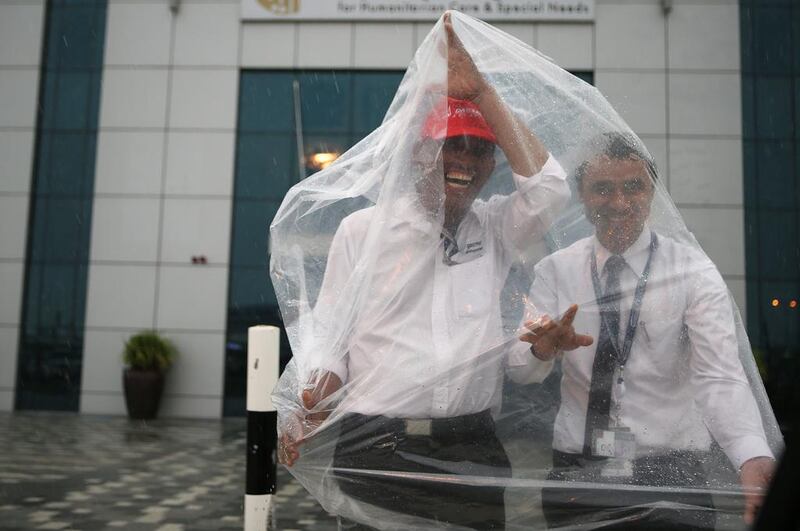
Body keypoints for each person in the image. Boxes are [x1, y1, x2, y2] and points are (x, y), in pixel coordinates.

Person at [278, 13, 570, 530]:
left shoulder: (497, 226)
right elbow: (331, 337)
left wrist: (482, 94)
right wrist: (317, 390)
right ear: (418, 151)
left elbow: (550, 188)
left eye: (480, 149)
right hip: (379, 449)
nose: (465, 158)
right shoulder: (363, 232)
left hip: (471, 448)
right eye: (451, 143)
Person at [515, 133, 776, 530]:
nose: (619, 203)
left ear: (652, 192)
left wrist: (751, 455)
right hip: (577, 470)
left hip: (670, 470)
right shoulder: (556, 271)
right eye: (602, 189)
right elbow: (520, 372)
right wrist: (542, 352)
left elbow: (719, 374)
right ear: (582, 196)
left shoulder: (691, 273)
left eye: (633, 187)